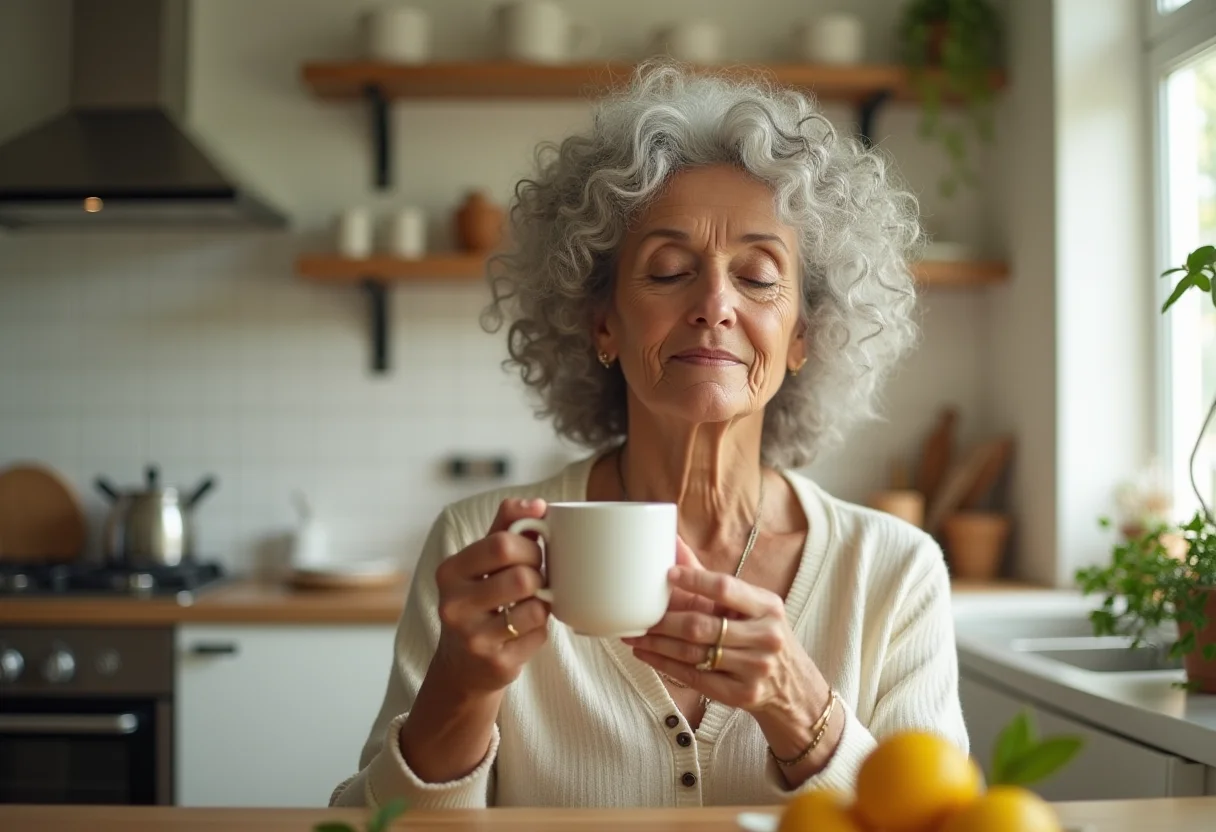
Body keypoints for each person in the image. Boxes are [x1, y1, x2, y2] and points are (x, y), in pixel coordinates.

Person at [331, 63, 967, 810]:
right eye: (669, 270)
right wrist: (460, 692)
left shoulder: (893, 571)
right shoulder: (480, 547)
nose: (714, 304)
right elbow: (371, 828)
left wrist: (801, 709)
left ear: (803, 335)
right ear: (602, 321)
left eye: (759, 277)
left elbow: (944, 825)